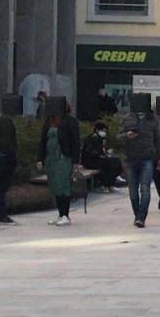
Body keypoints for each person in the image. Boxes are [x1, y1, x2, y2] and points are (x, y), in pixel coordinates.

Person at [118, 94, 160, 228]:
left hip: (147, 158)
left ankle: (141, 217)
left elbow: (157, 140)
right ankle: (137, 214)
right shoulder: (127, 119)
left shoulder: (152, 120)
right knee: (132, 191)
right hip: (131, 158)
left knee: (145, 189)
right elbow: (118, 137)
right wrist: (127, 135)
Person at [36, 97, 79, 227]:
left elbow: (75, 142)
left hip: (63, 158)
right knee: (55, 185)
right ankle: (60, 214)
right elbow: (42, 141)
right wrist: (40, 158)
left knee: (63, 185)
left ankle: (65, 214)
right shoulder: (49, 122)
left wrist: (76, 161)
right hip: (51, 159)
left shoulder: (70, 121)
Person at [0, 95, 20, 225]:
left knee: (2, 188)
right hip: (6, 158)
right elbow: (6, 141)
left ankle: (1, 213)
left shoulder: (4, 119)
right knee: (2, 187)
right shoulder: (5, 121)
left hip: (4, 156)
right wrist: (11, 154)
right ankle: (1, 214)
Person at [81, 122, 122, 192]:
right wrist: (101, 154)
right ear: (97, 130)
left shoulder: (100, 138)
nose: (104, 133)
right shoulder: (92, 138)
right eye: (103, 131)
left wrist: (105, 153)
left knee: (115, 162)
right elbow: (91, 152)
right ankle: (105, 185)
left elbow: (101, 151)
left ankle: (110, 184)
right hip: (90, 161)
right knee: (109, 165)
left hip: (97, 159)